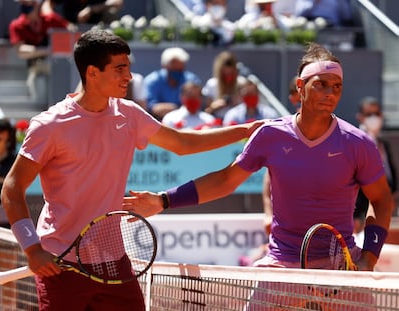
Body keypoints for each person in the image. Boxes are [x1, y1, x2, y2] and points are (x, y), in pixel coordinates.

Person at [0, 28, 264, 311]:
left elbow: (184, 143)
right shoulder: (48, 126)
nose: (129, 77)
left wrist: (245, 131)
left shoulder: (129, 114)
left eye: (128, 68)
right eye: (120, 69)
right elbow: (12, 188)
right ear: (92, 72)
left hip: (115, 265)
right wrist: (32, 248)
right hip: (62, 267)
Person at [124, 43, 393, 274]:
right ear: (300, 87)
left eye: (336, 86)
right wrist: (163, 200)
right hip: (281, 264)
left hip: (340, 267)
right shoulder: (271, 135)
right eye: (321, 84)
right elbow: (226, 180)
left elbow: (381, 200)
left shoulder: (358, 143)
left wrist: (369, 257)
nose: (330, 93)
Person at [9, 0, 75, 107]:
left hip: (59, 65)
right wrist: (47, 50)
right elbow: (21, 51)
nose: (25, 5)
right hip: (36, 66)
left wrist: (59, 44)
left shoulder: (50, 19)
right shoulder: (17, 25)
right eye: (23, 3)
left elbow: (71, 30)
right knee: (38, 91)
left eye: (29, 3)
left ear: (37, 5)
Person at [354, 96, 397, 234]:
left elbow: (391, 176)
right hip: (362, 216)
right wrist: (356, 215)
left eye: (377, 114)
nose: (374, 118)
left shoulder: (383, 143)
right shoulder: (356, 141)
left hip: (386, 211)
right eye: (369, 114)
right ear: (360, 117)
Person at [144, 47, 201, 120]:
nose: (177, 72)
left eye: (180, 69)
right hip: (157, 121)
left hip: (187, 120)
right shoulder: (152, 80)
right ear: (164, 66)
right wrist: (178, 108)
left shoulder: (191, 80)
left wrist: (174, 109)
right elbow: (153, 108)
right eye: (174, 69)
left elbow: (197, 103)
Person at [202, 51, 246, 120]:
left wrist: (237, 104)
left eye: (231, 74)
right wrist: (214, 106)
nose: (228, 77)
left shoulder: (242, 83)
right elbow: (205, 112)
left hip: (237, 122)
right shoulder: (212, 84)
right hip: (217, 121)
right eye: (225, 74)